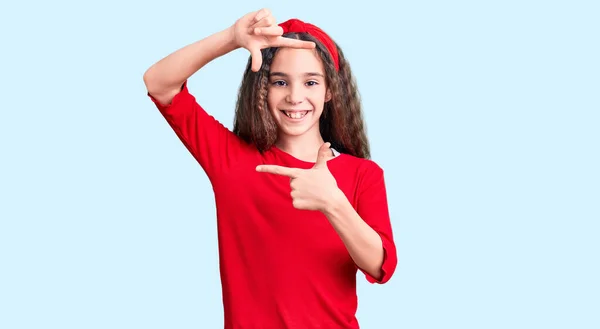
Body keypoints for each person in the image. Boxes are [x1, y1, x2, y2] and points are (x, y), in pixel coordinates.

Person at [143, 8, 397, 329]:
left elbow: (381, 267)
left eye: (310, 82)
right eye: (280, 81)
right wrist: (231, 39)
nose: (295, 97)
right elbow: (159, 82)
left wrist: (334, 204)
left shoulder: (363, 175)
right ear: (263, 89)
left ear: (329, 90)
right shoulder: (231, 160)